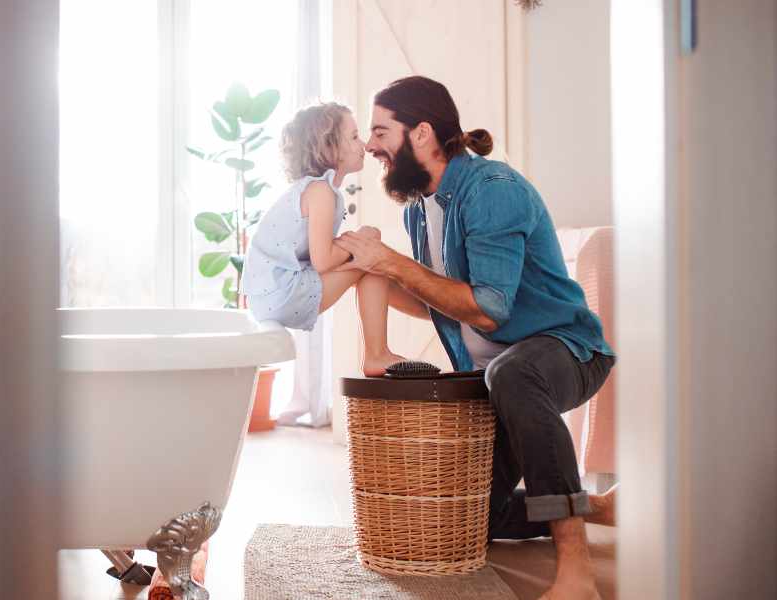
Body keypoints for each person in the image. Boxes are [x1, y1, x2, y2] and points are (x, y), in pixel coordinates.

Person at [334, 75, 617, 600]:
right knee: (467, 519)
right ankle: (597, 505)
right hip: (500, 372)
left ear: (421, 134)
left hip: (567, 352)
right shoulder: (422, 206)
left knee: (511, 370)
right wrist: (369, 270)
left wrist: (393, 263)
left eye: (380, 131)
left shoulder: (493, 192)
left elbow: (487, 310)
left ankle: (576, 571)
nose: (371, 145)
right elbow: (440, 298)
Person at [242, 102, 411, 376]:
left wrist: (352, 246)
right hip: (284, 293)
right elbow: (323, 261)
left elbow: (321, 258)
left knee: (369, 249)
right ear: (330, 148)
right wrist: (356, 244)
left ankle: (377, 354)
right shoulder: (321, 191)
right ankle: (376, 354)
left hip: (270, 295)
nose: (364, 144)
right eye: (354, 137)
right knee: (373, 250)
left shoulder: (314, 190)